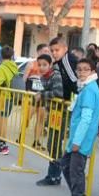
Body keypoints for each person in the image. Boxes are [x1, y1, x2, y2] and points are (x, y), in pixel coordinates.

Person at [56, 58, 99, 196]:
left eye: (85, 69)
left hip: (81, 139)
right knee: (67, 166)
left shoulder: (89, 90)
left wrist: (77, 141)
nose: (82, 72)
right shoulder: (89, 87)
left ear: (92, 72)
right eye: (79, 69)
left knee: (75, 170)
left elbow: (86, 118)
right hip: (80, 137)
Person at [36, 36, 78, 185]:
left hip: (67, 107)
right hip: (59, 108)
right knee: (53, 143)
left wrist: (75, 102)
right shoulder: (58, 64)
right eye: (52, 50)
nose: (54, 53)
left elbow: (76, 83)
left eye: (57, 50)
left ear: (65, 49)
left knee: (57, 143)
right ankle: (54, 174)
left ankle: (56, 175)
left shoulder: (66, 61)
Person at [0, 45, 19, 156]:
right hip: (10, 97)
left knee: (0, 121)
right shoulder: (14, 66)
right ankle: (2, 144)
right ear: (12, 55)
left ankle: (3, 145)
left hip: (3, 97)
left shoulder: (2, 67)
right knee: (1, 120)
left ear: (1, 55)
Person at [32, 53, 63, 149]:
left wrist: (42, 95)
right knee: (52, 141)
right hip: (51, 110)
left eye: (44, 65)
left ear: (50, 65)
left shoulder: (56, 75)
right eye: (39, 65)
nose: (41, 67)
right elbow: (46, 91)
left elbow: (58, 93)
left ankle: (57, 162)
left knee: (55, 141)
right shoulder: (43, 77)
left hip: (61, 111)